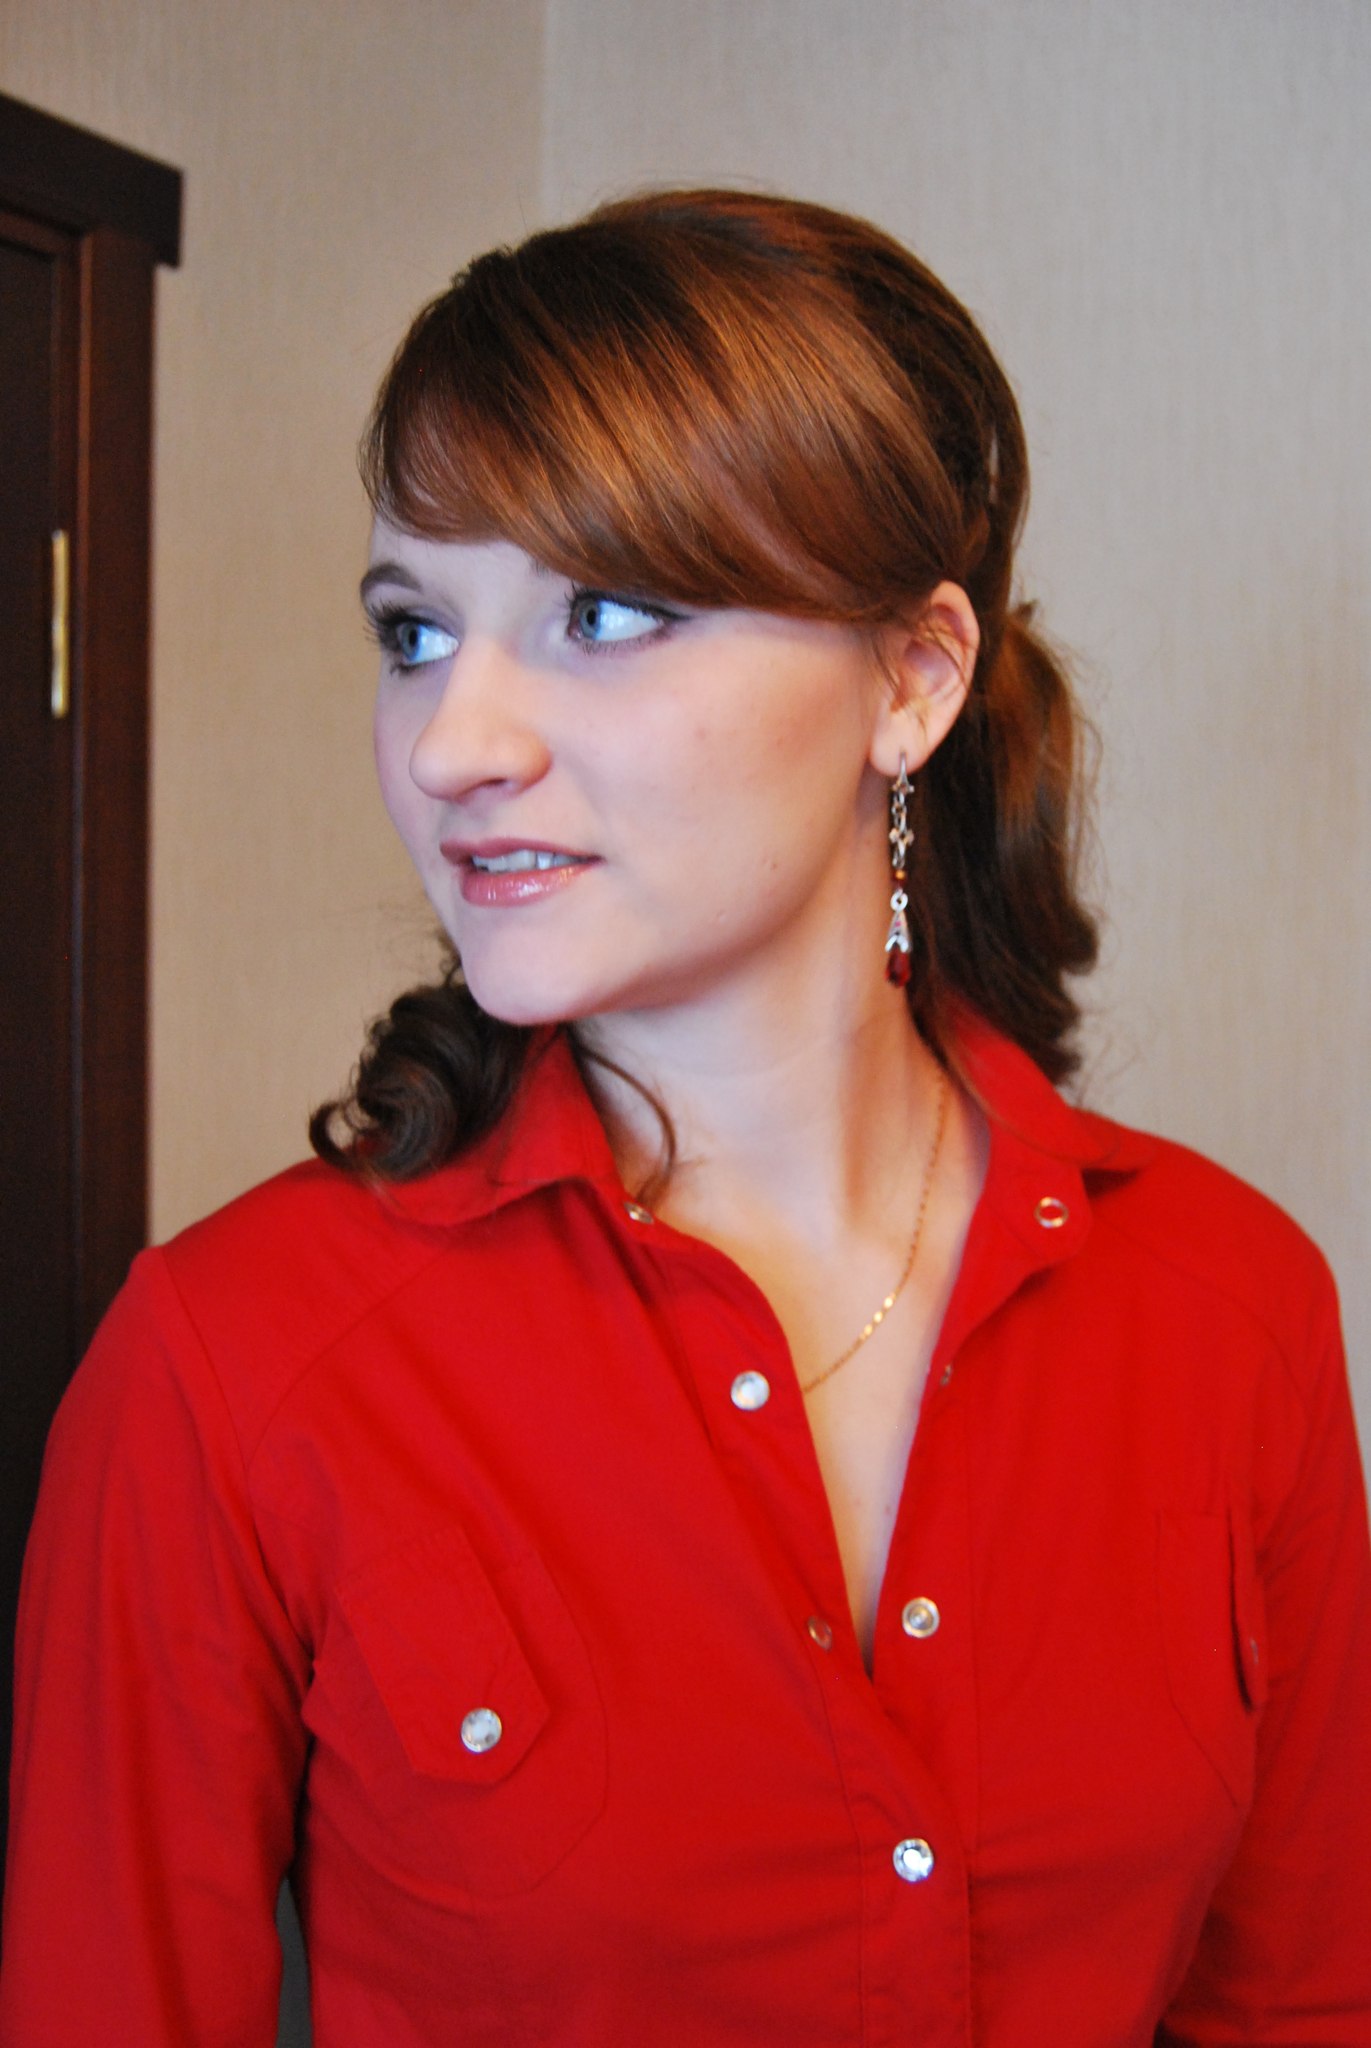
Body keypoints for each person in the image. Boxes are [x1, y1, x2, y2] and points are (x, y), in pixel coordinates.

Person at [2, 188, 1369, 2047]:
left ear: (914, 677)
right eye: (414, 632)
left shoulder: (1232, 1307)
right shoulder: (227, 1368)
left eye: (604, 610)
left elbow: (1299, 2000)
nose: (452, 745)